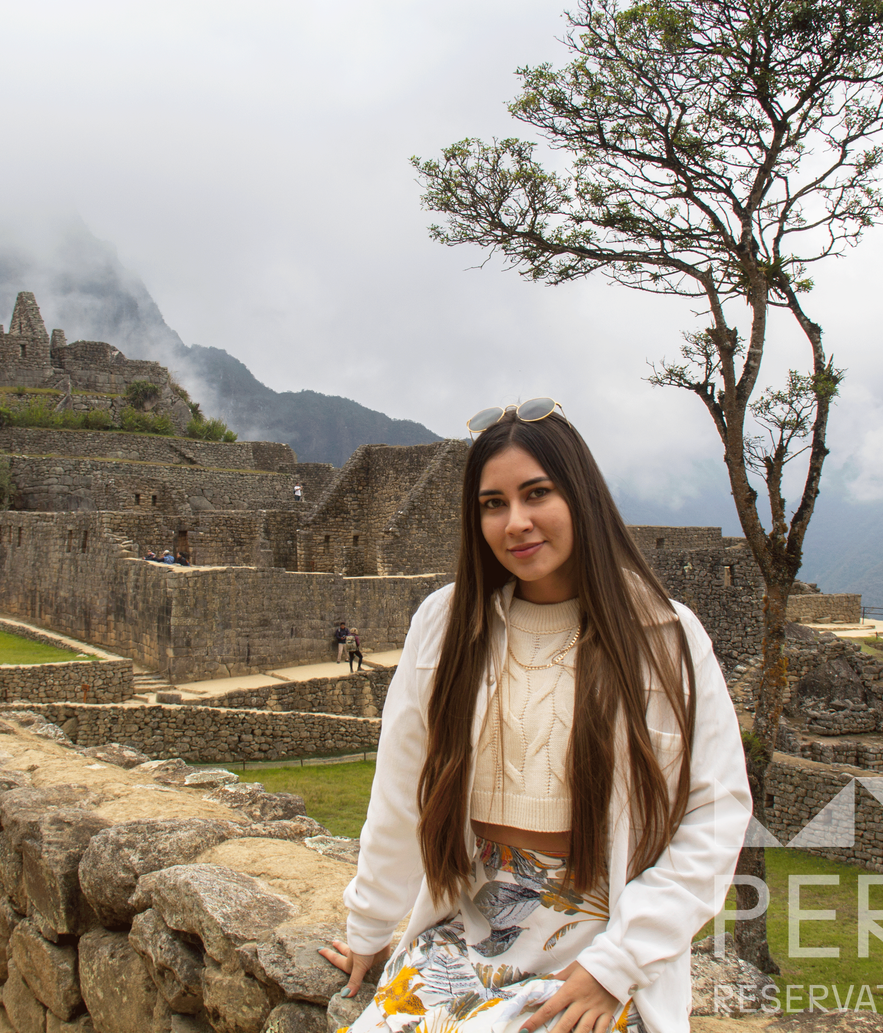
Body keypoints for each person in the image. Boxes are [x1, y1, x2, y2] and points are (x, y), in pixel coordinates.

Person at [319, 400, 750, 1033]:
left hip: (602, 932)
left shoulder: (663, 636)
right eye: (493, 503)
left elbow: (715, 811)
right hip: (468, 919)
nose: (515, 522)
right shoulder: (445, 624)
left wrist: (617, 966)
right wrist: (372, 925)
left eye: (536, 494)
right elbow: (402, 789)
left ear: (581, 496)